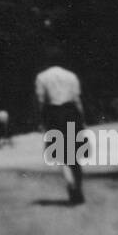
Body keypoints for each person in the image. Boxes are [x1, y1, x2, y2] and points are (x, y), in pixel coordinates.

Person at [35, 51, 86, 205]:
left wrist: (42, 120)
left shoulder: (42, 77)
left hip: (53, 114)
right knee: (75, 154)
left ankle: (70, 183)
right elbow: (77, 99)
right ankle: (78, 187)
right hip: (71, 112)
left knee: (59, 154)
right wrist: (82, 119)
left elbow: (41, 101)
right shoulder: (71, 75)